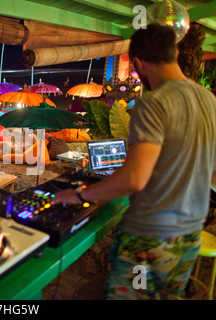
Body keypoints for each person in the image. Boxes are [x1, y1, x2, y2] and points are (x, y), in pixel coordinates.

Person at [51, 23, 216, 300]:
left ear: (137, 63)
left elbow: (134, 178)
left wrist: (79, 195)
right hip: (188, 238)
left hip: (149, 240)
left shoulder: (154, 103)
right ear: (174, 53)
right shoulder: (208, 99)